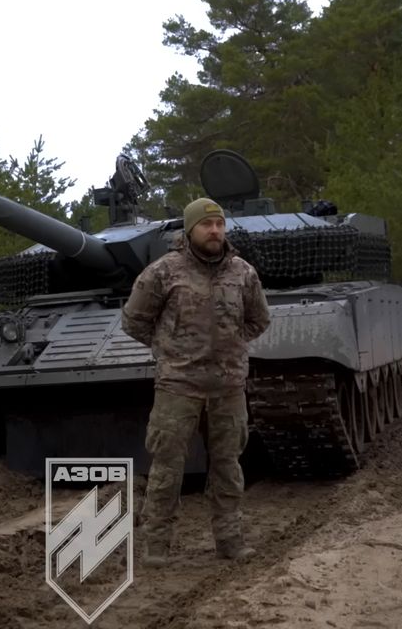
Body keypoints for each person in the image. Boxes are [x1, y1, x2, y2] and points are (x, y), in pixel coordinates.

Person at [122, 197, 271, 566]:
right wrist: (169, 347)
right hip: (178, 386)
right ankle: (156, 546)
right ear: (190, 230)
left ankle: (230, 542)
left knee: (228, 467)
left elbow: (258, 320)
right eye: (207, 225)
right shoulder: (163, 272)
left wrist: (229, 345)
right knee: (167, 469)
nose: (215, 231)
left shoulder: (243, 273)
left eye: (220, 224)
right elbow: (134, 320)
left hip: (228, 386)